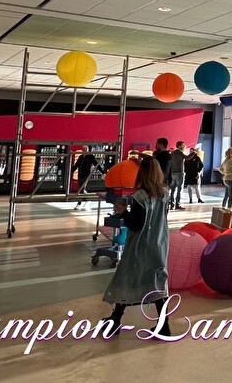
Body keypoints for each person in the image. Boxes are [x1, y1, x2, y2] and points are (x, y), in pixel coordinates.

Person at [101, 155, 171, 338]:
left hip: (141, 245)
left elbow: (136, 224)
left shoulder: (140, 197)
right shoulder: (164, 194)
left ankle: (115, 320)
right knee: (157, 283)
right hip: (160, 242)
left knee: (127, 278)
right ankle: (163, 324)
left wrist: (123, 212)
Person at [72, 145, 100, 210]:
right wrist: (72, 171)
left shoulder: (90, 156)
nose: (84, 149)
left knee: (82, 188)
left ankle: (79, 203)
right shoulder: (81, 157)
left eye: (86, 148)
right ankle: (87, 200)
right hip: (80, 175)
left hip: (86, 175)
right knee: (81, 189)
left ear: (88, 149)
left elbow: (96, 164)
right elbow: (76, 165)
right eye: (83, 148)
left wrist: (102, 172)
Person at [167, 141, 189, 210]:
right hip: (179, 173)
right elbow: (187, 157)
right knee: (179, 189)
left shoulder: (172, 153)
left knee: (173, 189)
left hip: (173, 173)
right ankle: (177, 204)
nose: (184, 146)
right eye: (183, 145)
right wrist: (194, 153)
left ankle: (171, 205)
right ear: (179, 146)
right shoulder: (180, 152)